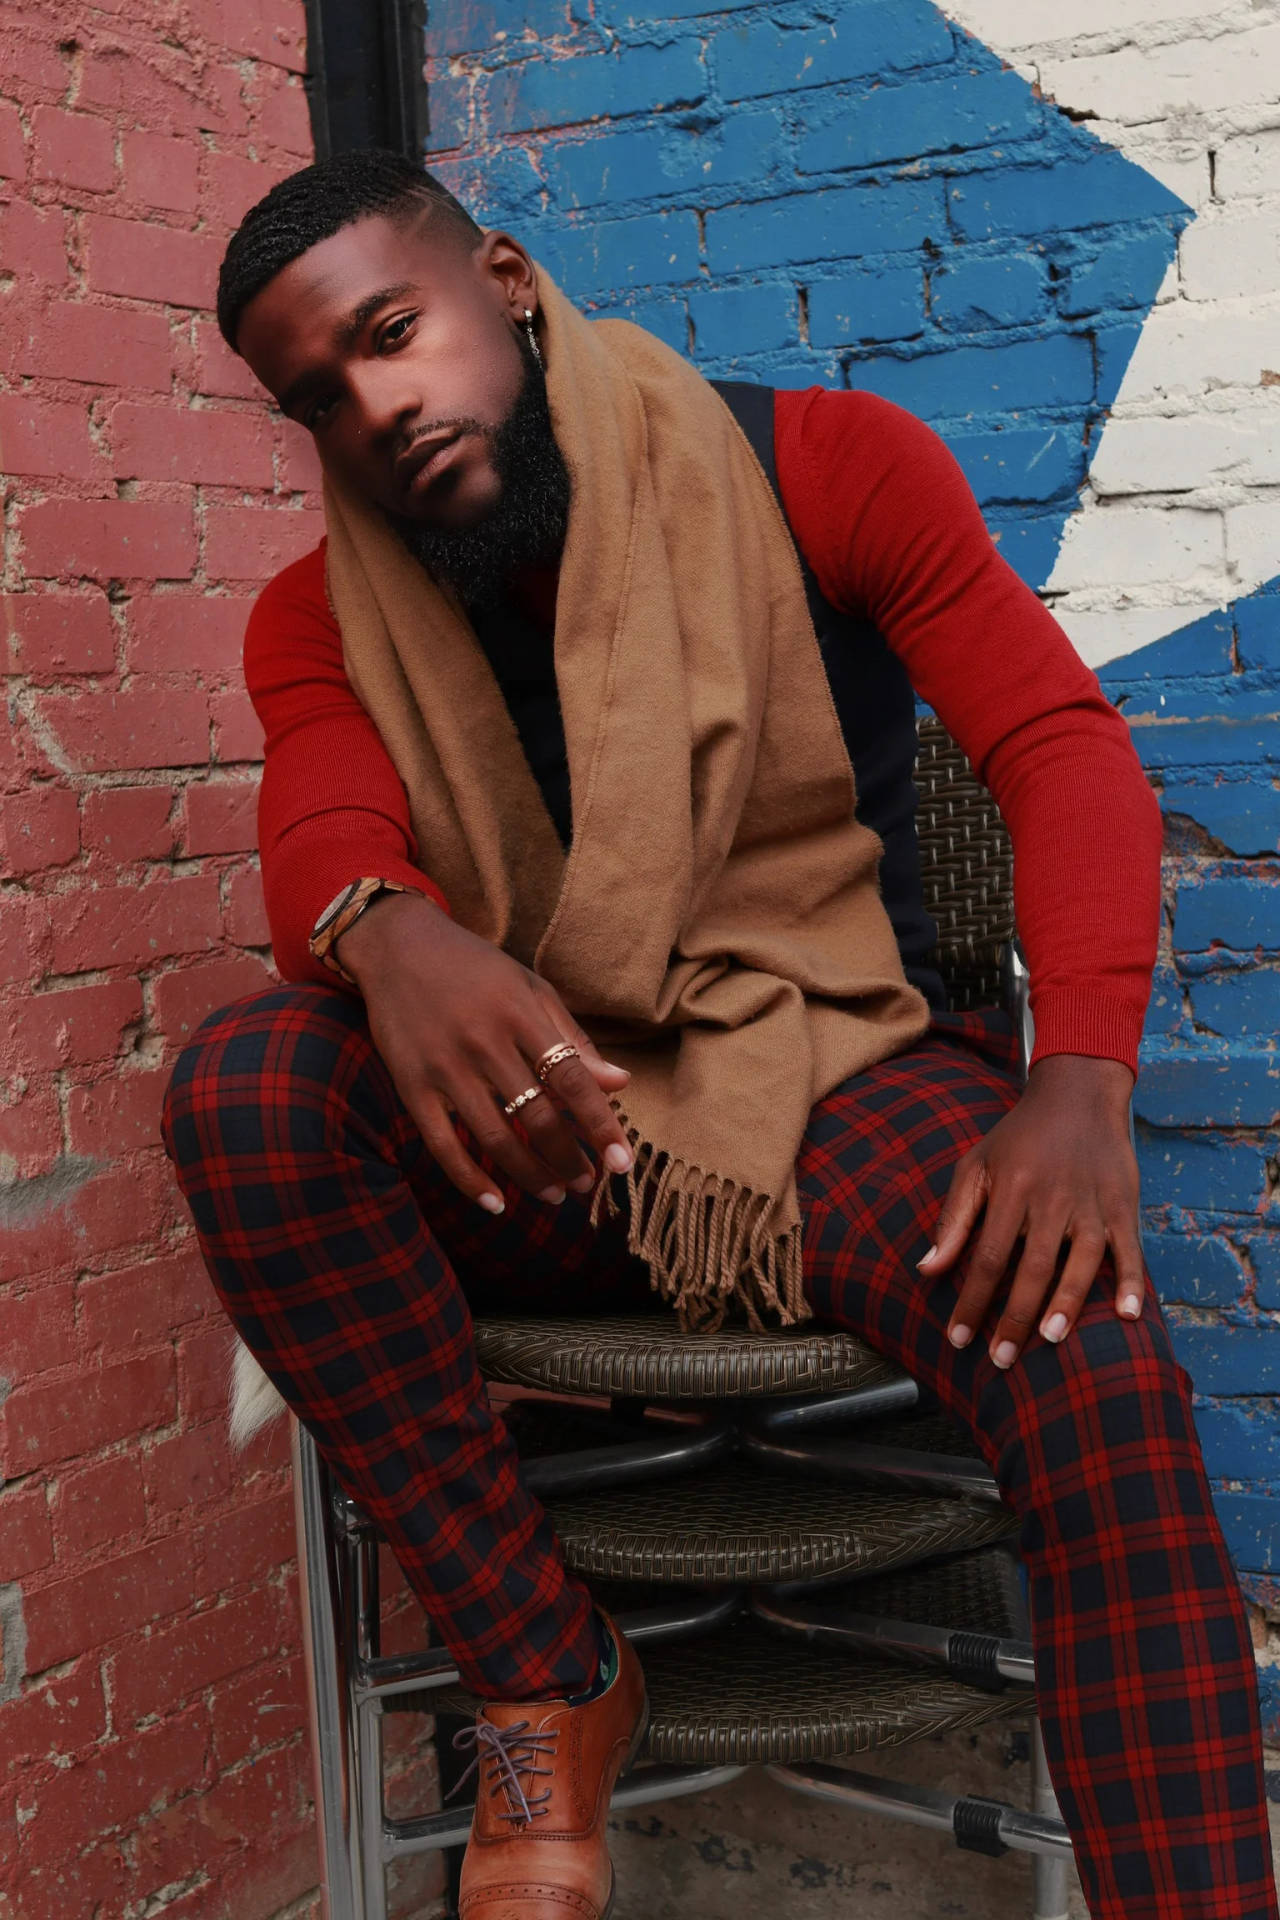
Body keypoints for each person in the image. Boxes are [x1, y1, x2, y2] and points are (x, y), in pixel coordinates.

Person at [161, 147, 1278, 1920]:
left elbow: (1061, 750)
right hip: (547, 1122)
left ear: (504, 280)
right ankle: (546, 1672)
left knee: (1096, 1358)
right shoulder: (318, 613)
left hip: (827, 1073)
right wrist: (388, 937)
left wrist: (1079, 1082)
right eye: (321, 396)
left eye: (394, 331)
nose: (378, 407)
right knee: (243, 1085)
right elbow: (321, 824)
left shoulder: (827, 467)